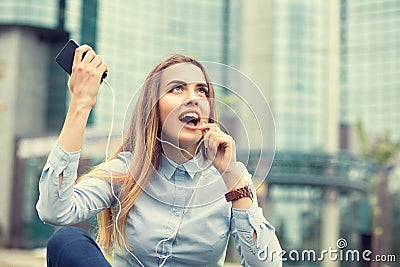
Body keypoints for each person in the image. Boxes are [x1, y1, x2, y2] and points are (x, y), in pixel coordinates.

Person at [36, 44, 282, 267]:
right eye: (177, 89)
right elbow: (54, 210)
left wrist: (231, 176)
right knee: (68, 240)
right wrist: (81, 103)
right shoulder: (125, 170)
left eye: (201, 91)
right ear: (153, 108)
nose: (193, 99)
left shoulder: (231, 179)